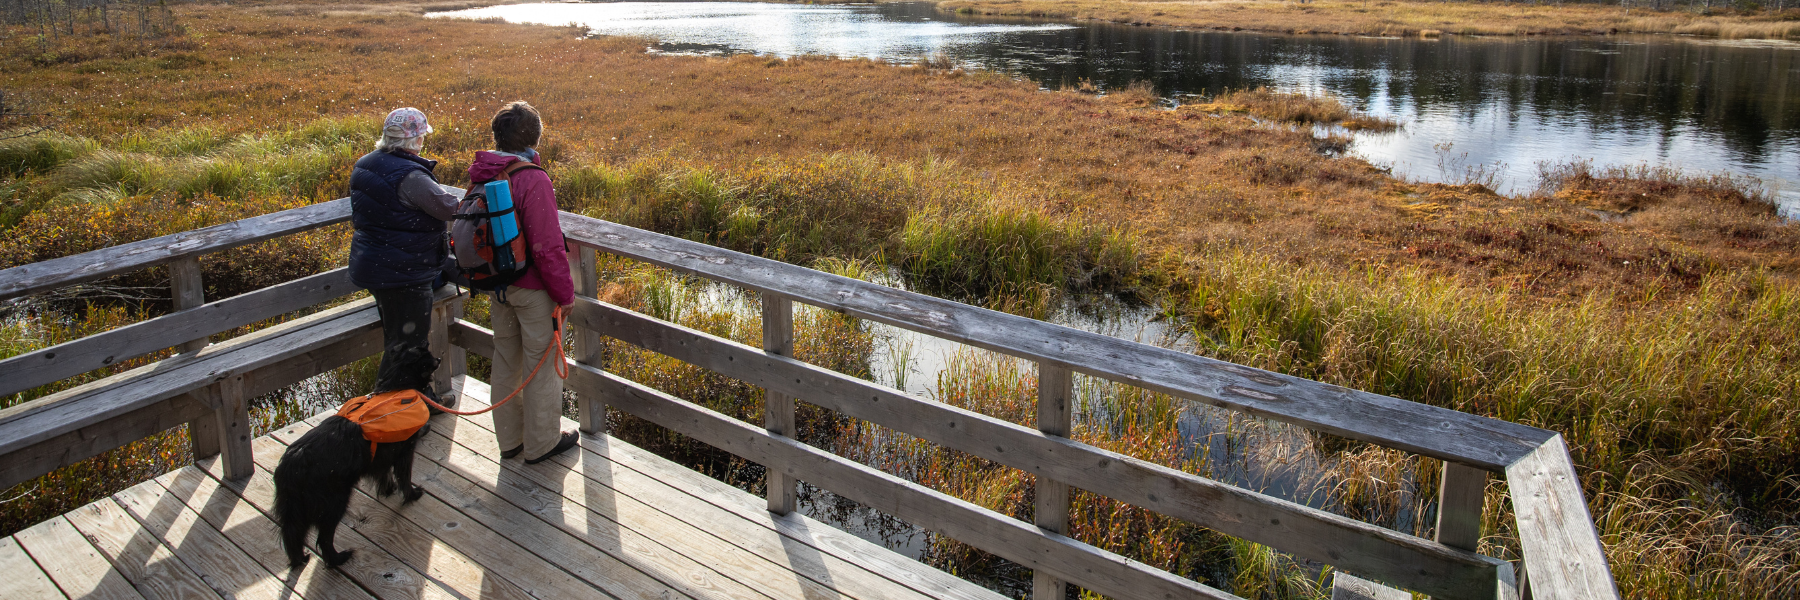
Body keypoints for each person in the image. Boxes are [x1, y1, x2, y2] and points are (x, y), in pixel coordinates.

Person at [470, 101, 579, 464]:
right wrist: (564, 295)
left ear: (497, 135)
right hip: (533, 291)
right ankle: (542, 443)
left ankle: (510, 441)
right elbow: (547, 247)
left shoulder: (483, 171)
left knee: (506, 360)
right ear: (534, 136)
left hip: (498, 285)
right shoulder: (532, 177)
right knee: (542, 366)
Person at [348, 107, 464, 409]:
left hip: (377, 268)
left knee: (400, 340)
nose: (423, 142)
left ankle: (419, 402)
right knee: (407, 348)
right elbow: (448, 208)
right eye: (422, 137)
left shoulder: (366, 164)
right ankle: (390, 416)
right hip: (405, 273)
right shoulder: (410, 175)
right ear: (415, 141)